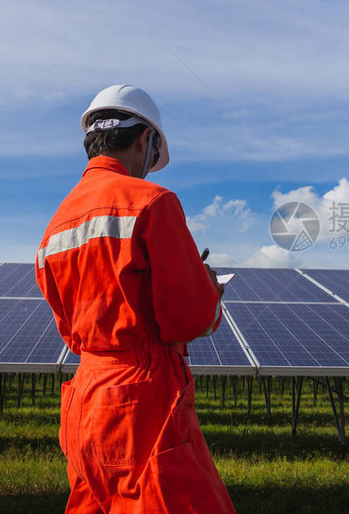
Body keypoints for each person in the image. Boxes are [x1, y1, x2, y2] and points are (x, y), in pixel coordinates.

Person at [35, 84, 235, 513]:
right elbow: (188, 318)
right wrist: (208, 290)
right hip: (143, 406)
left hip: (85, 403)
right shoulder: (152, 202)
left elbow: (70, 331)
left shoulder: (56, 226)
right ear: (145, 140)